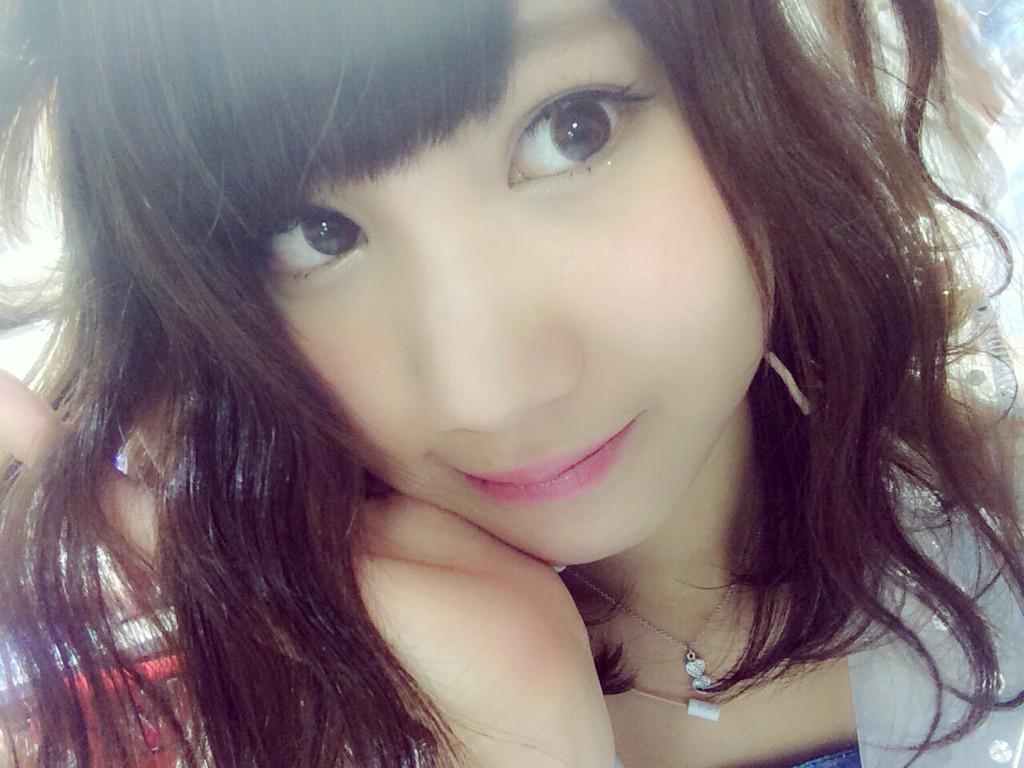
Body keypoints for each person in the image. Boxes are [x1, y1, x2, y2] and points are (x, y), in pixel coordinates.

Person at [0, 0, 1021, 766]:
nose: (487, 392)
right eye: (313, 234)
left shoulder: (1002, 524)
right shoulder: (189, 722)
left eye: (571, 129)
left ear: (756, 94)